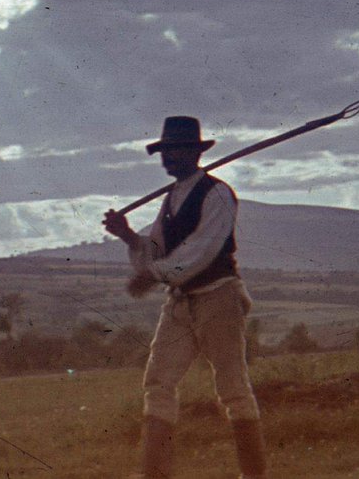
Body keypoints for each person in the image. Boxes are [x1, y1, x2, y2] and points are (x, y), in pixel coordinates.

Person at [103, 116, 267, 479]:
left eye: (173, 150)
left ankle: (255, 476)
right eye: (163, 151)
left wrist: (153, 275)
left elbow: (202, 250)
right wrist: (129, 237)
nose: (166, 158)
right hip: (180, 303)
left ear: (193, 152)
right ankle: (154, 474)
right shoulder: (171, 200)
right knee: (158, 382)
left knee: (232, 388)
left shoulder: (219, 194)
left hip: (218, 298)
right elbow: (158, 249)